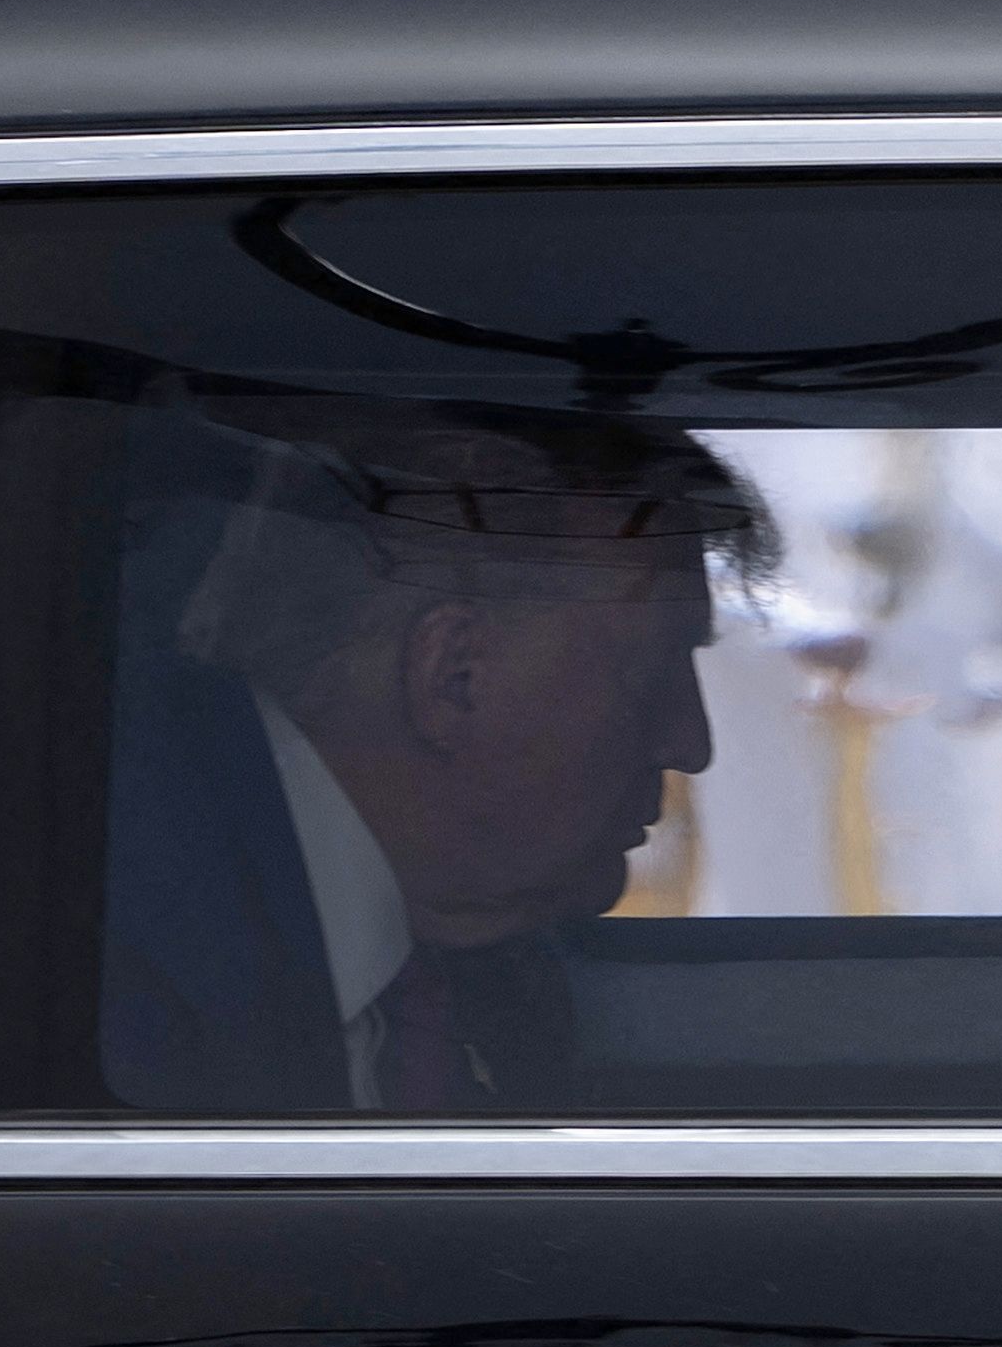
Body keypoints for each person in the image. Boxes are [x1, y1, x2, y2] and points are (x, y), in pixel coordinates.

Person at [103, 409, 751, 1116]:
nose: (692, 744)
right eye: (651, 671)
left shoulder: (494, 980)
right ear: (455, 678)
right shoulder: (117, 979)